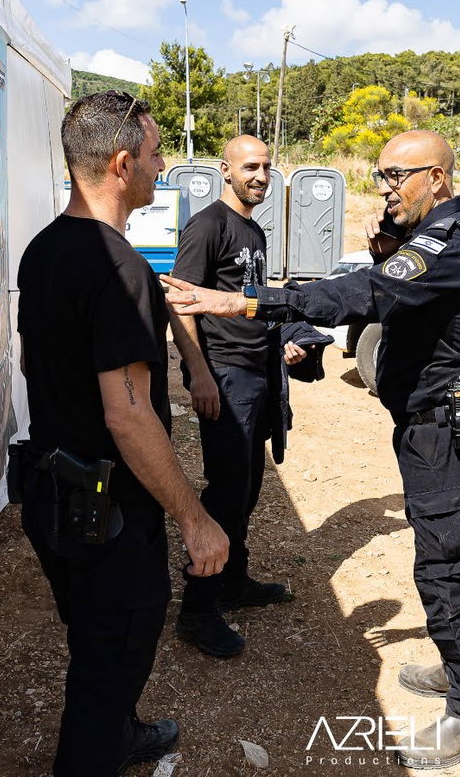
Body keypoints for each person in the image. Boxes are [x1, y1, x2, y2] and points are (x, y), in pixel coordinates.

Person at [163, 130, 460, 769]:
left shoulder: (448, 241)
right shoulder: (429, 237)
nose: (385, 189)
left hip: (446, 427)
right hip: (428, 423)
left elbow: (367, 293)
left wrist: (247, 302)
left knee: (444, 565)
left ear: (437, 177)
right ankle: (459, 669)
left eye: (396, 177)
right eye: (378, 177)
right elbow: (387, 283)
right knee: (439, 559)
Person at [15, 90, 229, 776]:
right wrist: (195, 518)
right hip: (106, 514)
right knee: (108, 665)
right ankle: (100, 747)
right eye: (157, 151)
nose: (163, 165)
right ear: (120, 162)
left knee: (96, 642)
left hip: (55, 501)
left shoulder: (43, 250)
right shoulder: (121, 270)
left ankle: (121, 732)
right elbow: (127, 413)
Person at [168, 135, 304, 657]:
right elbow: (180, 304)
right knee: (225, 492)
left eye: (268, 167)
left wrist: (285, 341)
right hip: (224, 377)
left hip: (257, 373)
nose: (261, 176)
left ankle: (233, 580)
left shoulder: (251, 228)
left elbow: (248, 301)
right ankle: (197, 610)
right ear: (225, 170)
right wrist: (199, 374)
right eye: (250, 167)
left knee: (246, 487)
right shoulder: (208, 225)